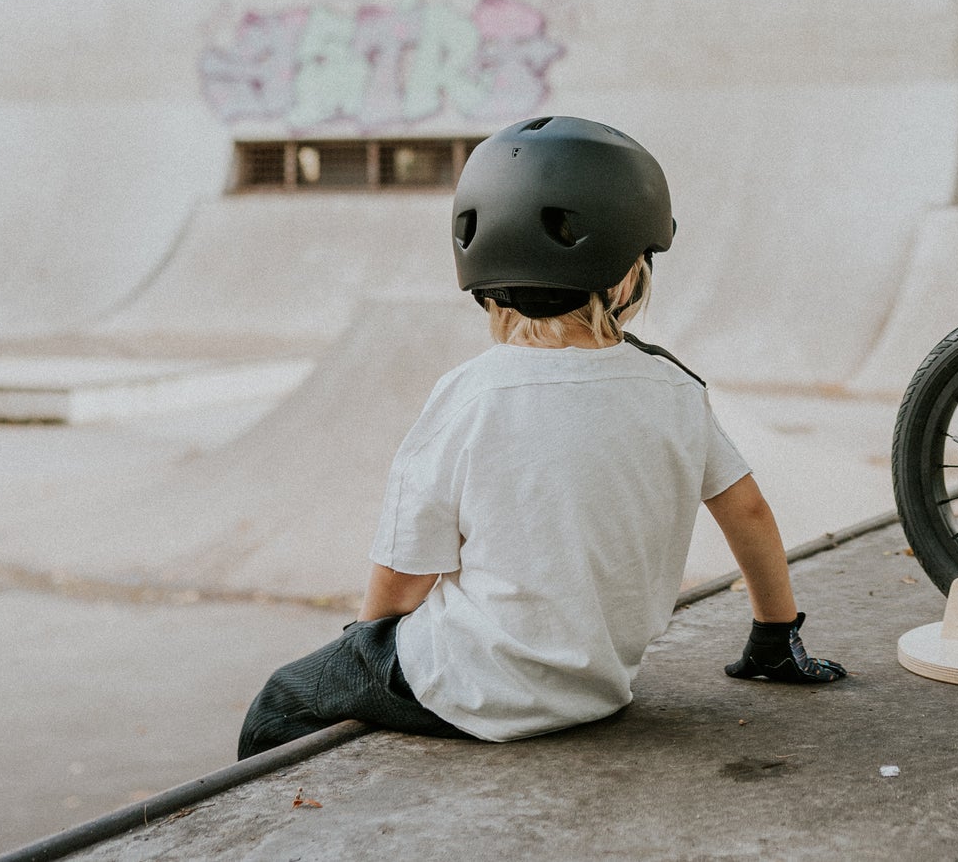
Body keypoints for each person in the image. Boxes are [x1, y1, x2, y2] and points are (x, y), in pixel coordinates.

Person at [238, 116, 845, 759]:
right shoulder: (675, 389)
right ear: (627, 273)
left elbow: (403, 574)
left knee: (280, 704)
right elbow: (746, 509)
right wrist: (774, 638)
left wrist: (365, 644)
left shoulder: (469, 395)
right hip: (598, 688)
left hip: (469, 688)